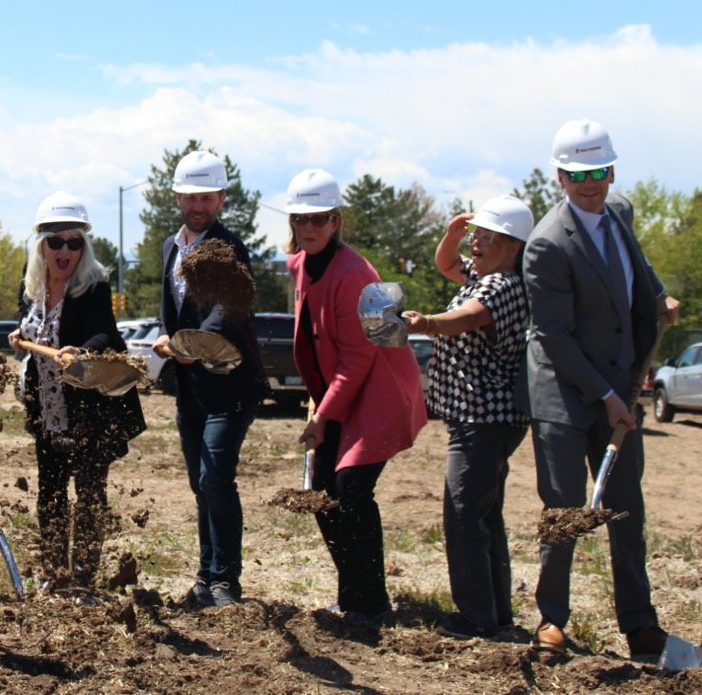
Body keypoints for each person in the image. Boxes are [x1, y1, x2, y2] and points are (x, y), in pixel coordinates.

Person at [524, 119, 679, 660]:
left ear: (611, 171)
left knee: (626, 509)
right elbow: (555, 338)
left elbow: (636, 273)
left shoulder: (621, 212)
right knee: (563, 510)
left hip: (618, 385)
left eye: (598, 172)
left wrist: (658, 298)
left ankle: (640, 625)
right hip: (565, 395)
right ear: (560, 177)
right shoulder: (547, 244)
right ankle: (551, 620)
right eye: (577, 175)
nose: (589, 184)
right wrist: (608, 398)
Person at [285, 168, 426, 627]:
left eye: (318, 218)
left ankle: (370, 603)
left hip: (380, 390)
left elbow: (358, 359)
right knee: (322, 495)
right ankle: (353, 595)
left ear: (336, 220)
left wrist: (322, 415)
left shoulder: (356, 274)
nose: (308, 227)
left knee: (352, 490)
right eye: (300, 219)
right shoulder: (300, 263)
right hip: (343, 391)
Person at [400, 195, 534, 639]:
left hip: (484, 420)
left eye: (488, 238)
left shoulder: (502, 286)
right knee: (484, 516)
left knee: (462, 516)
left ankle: (476, 617)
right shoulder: (484, 275)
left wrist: (425, 323)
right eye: (477, 235)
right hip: (483, 419)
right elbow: (445, 264)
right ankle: (495, 614)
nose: (477, 244)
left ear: (513, 247)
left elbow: (466, 318)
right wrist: (452, 234)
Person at [8, 192, 145, 595]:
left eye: (74, 242)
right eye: (56, 242)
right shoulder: (32, 283)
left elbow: (108, 334)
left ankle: (84, 576)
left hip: (89, 413)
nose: (65, 251)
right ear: (41, 246)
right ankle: (54, 573)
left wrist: (82, 351)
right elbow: (30, 323)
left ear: (83, 246)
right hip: (48, 409)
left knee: (88, 493)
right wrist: (19, 334)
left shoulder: (93, 284)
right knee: (51, 492)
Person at [150, 150, 267, 607]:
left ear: (221, 199)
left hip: (230, 385)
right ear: (177, 198)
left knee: (216, 479)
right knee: (201, 484)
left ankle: (225, 582)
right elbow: (171, 308)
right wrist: (167, 335)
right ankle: (205, 578)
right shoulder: (170, 247)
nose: (198, 205)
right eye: (190, 197)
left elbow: (230, 308)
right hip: (191, 390)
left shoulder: (230, 247)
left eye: (207, 197)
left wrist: (191, 343)